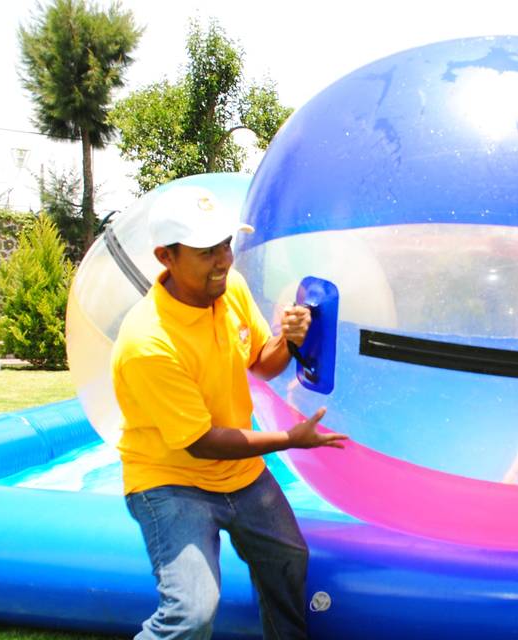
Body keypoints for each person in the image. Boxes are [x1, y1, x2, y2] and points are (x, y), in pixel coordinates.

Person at [110, 185, 348, 640]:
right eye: (206, 251)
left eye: (225, 245)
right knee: (192, 613)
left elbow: (262, 361)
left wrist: (290, 339)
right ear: (167, 257)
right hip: (170, 481)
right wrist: (289, 439)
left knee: (288, 559)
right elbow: (201, 443)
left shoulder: (229, 289)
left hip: (238, 473)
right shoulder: (148, 342)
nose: (223, 260)